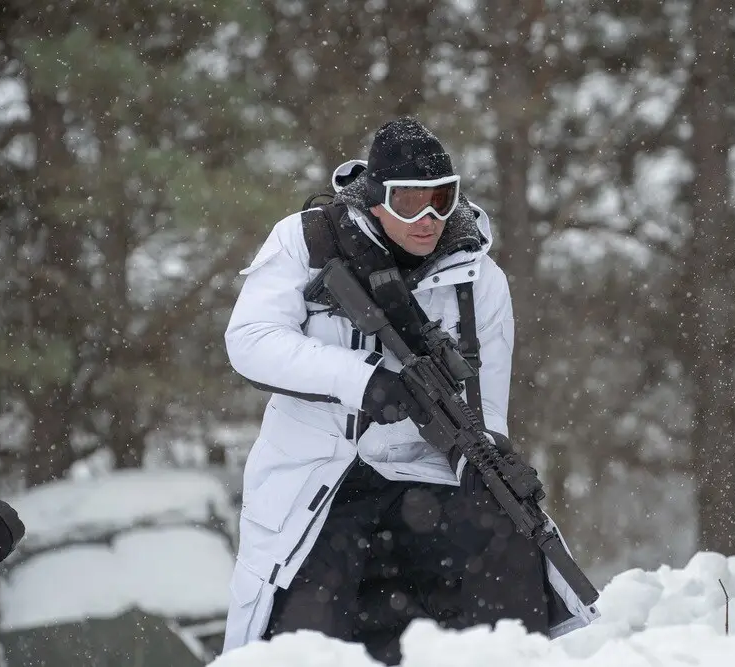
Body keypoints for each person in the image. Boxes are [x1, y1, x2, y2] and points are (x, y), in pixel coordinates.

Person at [221, 116, 599, 664]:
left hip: (423, 474)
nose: (428, 220)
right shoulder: (308, 240)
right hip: (318, 478)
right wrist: (363, 382)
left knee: (509, 548)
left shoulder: (480, 279)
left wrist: (484, 458)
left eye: (442, 201)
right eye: (409, 203)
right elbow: (251, 341)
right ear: (375, 198)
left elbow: (487, 405)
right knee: (303, 636)